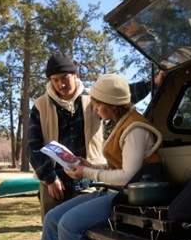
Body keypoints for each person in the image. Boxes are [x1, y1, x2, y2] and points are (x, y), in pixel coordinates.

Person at [30, 73, 163, 240]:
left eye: (97, 105)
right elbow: (118, 166)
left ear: (112, 104)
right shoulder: (122, 123)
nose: (93, 109)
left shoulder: (136, 129)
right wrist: (92, 165)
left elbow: (128, 176)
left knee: (70, 226)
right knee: (53, 218)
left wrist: (87, 173)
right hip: (113, 191)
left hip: (129, 198)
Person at [27, 53, 161, 221]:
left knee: (79, 230)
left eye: (65, 78)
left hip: (88, 178)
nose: (60, 84)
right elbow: (33, 146)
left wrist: (153, 84)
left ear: (75, 75)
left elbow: (122, 96)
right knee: (51, 224)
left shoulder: (95, 98)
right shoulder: (40, 106)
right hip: (55, 182)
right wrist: (50, 178)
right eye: (54, 80)